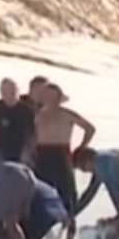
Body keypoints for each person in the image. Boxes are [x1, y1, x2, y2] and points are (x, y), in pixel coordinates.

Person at [33, 83, 95, 216]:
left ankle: (69, 224)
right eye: (47, 97)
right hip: (41, 154)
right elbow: (29, 136)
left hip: (61, 152)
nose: (50, 100)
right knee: (41, 192)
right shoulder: (37, 116)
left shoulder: (66, 114)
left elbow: (90, 128)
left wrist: (81, 147)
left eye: (53, 97)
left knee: (67, 192)